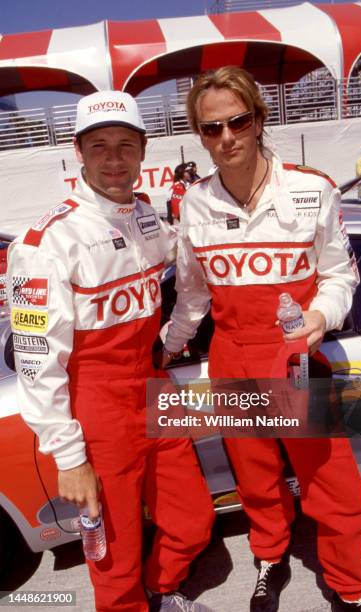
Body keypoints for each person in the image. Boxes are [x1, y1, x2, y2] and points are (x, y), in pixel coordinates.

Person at [162, 67, 361, 612]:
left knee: (333, 486)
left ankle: (350, 588)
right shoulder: (195, 205)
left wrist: (321, 316)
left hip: (295, 355)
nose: (226, 137)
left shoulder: (313, 187)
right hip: (230, 353)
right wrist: (167, 345)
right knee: (255, 479)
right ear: (199, 134)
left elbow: (340, 275)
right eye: (212, 128)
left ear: (258, 120)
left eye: (237, 121)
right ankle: (271, 559)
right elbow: (191, 298)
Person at [7, 90, 214, 612]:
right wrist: (69, 456)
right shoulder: (44, 242)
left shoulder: (146, 217)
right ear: (78, 152)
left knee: (193, 521)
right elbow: (35, 361)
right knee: (112, 554)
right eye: (100, 146)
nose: (115, 159)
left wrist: (173, 339)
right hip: (95, 408)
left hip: (153, 389)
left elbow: (190, 265)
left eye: (126, 145)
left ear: (143, 151)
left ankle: (159, 590)